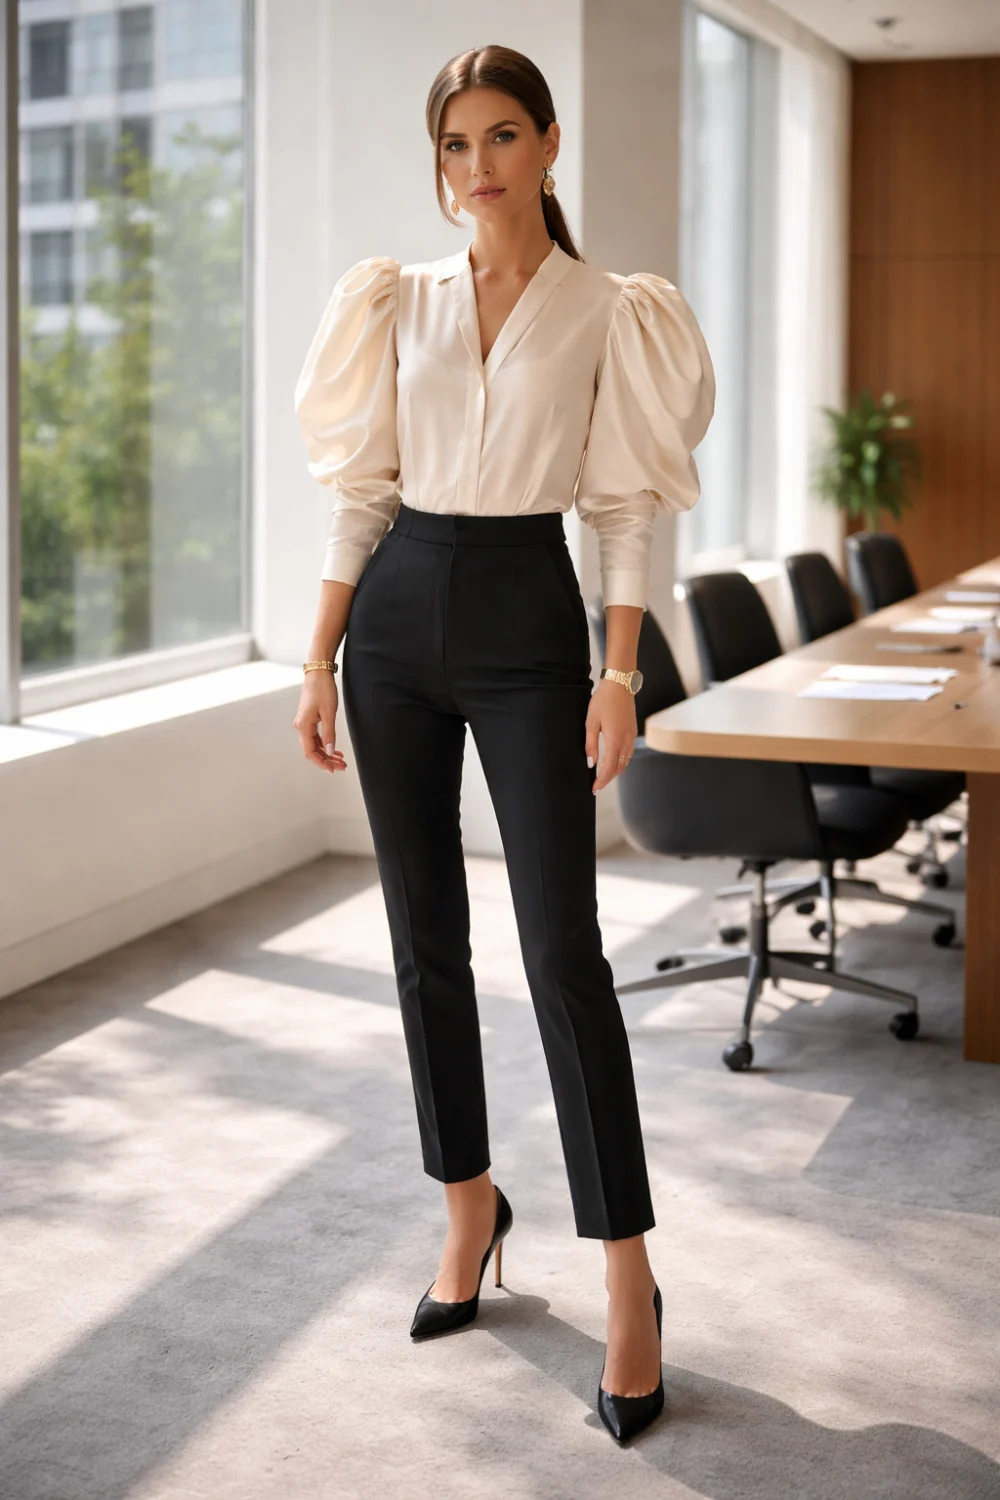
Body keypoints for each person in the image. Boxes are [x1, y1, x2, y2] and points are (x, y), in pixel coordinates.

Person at [292, 44, 715, 1446]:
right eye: (456, 144)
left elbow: (622, 507)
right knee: (423, 938)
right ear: (441, 162)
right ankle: (467, 1203)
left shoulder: (610, 309)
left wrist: (619, 670)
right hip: (395, 623)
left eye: (503, 137)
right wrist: (318, 654)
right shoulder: (394, 300)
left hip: (533, 619)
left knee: (561, 952)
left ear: (547, 146)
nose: (479, 166)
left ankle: (629, 1273)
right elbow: (362, 493)